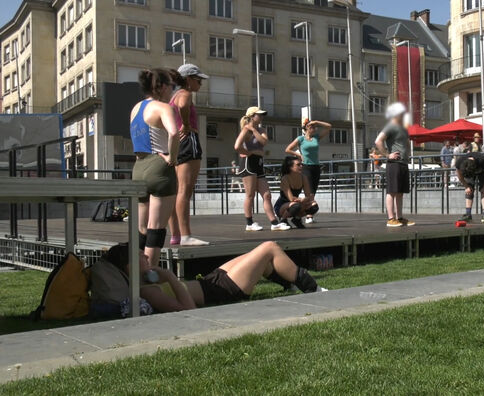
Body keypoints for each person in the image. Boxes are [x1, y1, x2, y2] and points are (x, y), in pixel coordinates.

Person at [101, 241, 326, 313]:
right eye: (141, 257)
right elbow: (188, 311)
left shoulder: (147, 281)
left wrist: (160, 277)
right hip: (221, 290)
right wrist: (169, 276)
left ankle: (290, 285)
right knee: (269, 247)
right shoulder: (146, 291)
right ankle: (312, 289)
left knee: (259, 258)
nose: (146, 258)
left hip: (212, 281)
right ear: (130, 268)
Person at [129, 68, 179, 267]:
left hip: (138, 168)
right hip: (159, 166)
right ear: (163, 87)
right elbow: (174, 133)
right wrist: (172, 158)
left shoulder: (135, 109)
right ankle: (149, 275)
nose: (172, 92)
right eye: (172, 87)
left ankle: (135, 273)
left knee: (142, 228)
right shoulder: (163, 107)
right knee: (156, 229)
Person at [167, 65, 209, 246]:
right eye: (198, 80)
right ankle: (185, 235)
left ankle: (176, 235)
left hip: (176, 142)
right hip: (188, 140)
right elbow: (184, 105)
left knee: (176, 191)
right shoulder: (185, 93)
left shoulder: (172, 96)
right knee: (185, 190)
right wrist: (185, 124)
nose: (200, 83)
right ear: (189, 79)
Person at [235, 106, 291, 231]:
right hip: (248, 163)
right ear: (251, 116)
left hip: (259, 163)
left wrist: (254, 130)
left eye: (261, 115)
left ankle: (274, 223)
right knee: (250, 195)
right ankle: (249, 223)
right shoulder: (245, 130)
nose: (261, 117)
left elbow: (264, 142)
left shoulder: (261, 130)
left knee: (267, 195)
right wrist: (248, 152)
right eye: (259, 115)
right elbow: (237, 146)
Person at [375, 102, 415, 227]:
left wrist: (407, 154)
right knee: (392, 191)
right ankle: (390, 219)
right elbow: (378, 141)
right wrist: (388, 155)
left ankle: (400, 217)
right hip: (394, 163)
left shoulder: (403, 127)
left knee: (400, 192)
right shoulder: (390, 126)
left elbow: (406, 143)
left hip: (403, 163)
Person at [285, 119, 331, 224]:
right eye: (311, 127)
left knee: (313, 192)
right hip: (306, 167)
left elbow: (329, 126)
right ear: (306, 128)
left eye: (315, 127)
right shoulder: (300, 139)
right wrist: (299, 155)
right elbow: (288, 149)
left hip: (316, 167)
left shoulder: (316, 138)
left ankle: (308, 215)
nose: (314, 129)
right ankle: (304, 215)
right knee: (309, 192)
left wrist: (317, 122)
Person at [274, 157, 319, 229]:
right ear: (290, 167)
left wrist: (306, 200)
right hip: (282, 206)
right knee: (296, 205)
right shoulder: (285, 178)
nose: (301, 166)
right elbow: (291, 198)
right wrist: (302, 200)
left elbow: (308, 195)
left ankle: (296, 219)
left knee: (314, 206)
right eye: (298, 165)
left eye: (301, 164)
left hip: (296, 202)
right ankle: (283, 220)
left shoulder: (303, 177)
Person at [455, 152, 484, 223]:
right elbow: (459, 176)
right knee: (469, 190)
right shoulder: (459, 162)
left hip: (482, 172)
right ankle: (468, 214)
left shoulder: (482, 160)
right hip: (468, 170)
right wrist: (466, 186)